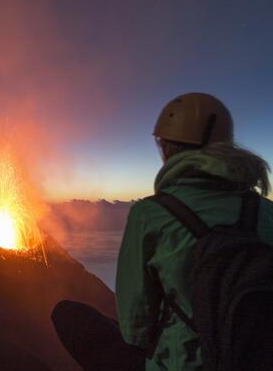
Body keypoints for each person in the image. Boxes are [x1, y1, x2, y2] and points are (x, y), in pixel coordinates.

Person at [52, 93, 273, 370]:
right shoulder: (266, 212)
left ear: (167, 149)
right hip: (258, 358)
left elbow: (136, 330)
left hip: (180, 365)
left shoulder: (151, 214)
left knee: (69, 316)